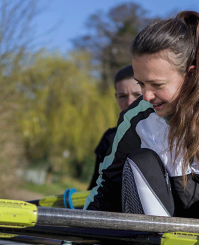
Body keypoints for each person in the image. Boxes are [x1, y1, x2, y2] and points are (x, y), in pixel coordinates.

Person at [84, 10, 199, 218]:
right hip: (164, 228)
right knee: (140, 159)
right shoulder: (138, 116)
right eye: (141, 84)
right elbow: (107, 187)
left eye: (157, 84)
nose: (146, 96)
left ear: (190, 75)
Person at [87, 65, 142, 190]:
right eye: (122, 96)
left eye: (137, 95)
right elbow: (96, 187)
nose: (129, 102)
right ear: (116, 97)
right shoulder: (109, 139)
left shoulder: (165, 134)